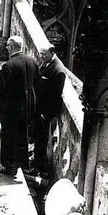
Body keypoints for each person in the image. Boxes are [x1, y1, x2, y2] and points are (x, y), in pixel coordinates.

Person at [0, 35, 37, 176]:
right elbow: (37, 83)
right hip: (28, 107)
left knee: (8, 136)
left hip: (13, 108)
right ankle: (23, 165)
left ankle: (8, 166)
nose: (6, 48)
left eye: (7, 46)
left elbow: (2, 87)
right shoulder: (32, 61)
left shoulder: (9, 65)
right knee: (23, 136)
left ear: (11, 47)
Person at [32, 43, 68, 175]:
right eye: (40, 53)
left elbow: (55, 96)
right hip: (38, 108)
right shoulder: (47, 63)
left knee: (41, 139)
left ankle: (39, 167)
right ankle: (36, 161)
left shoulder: (58, 71)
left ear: (52, 53)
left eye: (44, 54)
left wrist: (46, 114)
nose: (41, 56)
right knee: (37, 136)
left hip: (44, 112)